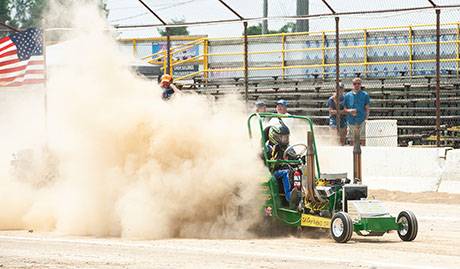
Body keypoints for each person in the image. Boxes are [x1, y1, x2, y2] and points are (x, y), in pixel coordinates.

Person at [266, 123, 293, 203]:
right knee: (286, 173)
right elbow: (268, 166)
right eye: (282, 137)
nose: (285, 139)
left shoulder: (288, 147)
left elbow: (293, 158)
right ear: (274, 136)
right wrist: (275, 155)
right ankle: (290, 197)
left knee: (301, 171)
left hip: (286, 169)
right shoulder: (268, 149)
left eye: (286, 137)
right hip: (272, 172)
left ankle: (306, 196)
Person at [344, 77, 370, 145]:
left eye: (358, 83)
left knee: (363, 139)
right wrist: (350, 111)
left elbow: (367, 108)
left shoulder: (365, 95)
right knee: (352, 140)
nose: (357, 85)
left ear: (361, 84)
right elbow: (344, 109)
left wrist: (366, 119)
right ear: (353, 84)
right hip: (351, 121)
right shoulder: (347, 95)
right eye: (355, 83)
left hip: (361, 120)